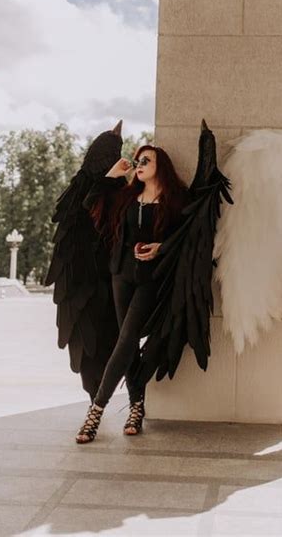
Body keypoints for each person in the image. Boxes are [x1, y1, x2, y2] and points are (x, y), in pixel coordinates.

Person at [75, 144, 189, 444]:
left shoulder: (175, 199)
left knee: (126, 340)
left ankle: (95, 412)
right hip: (120, 275)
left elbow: (187, 235)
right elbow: (89, 202)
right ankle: (137, 406)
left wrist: (161, 248)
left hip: (151, 278)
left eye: (145, 160)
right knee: (127, 344)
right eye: (137, 160)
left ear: (160, 165)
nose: (139, 164)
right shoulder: (126, 196)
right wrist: (113, 175)